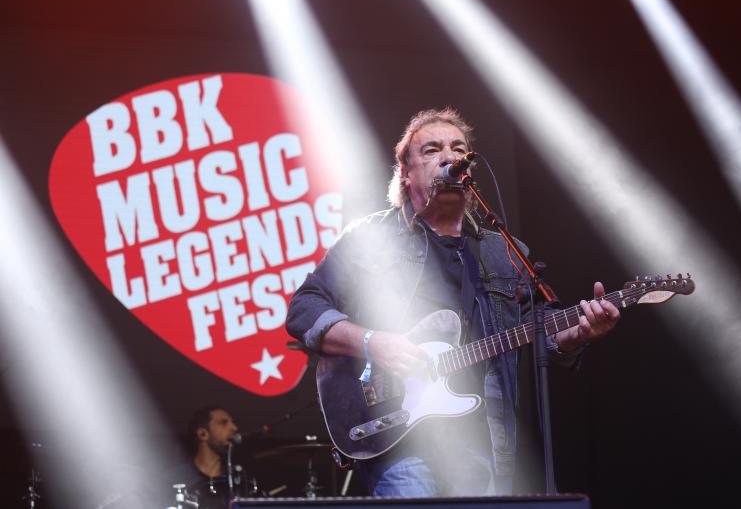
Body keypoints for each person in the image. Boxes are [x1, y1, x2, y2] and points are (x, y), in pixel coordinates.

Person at [286, 108, 620, 497]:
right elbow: (304, 308)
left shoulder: (506, 253)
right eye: (431, 150)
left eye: (458, 149)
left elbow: (540, 334)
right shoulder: (369, 239)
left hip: (479, 436)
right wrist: (371, 342)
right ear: (405, 172)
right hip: (396, 433)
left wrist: (578, 333)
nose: (449, 157)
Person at [163, 406, 241, 508]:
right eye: (224, 422)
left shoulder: (238, 479)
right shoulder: (174, 479)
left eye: (233, 422)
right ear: (202, 434)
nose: (234, 428)